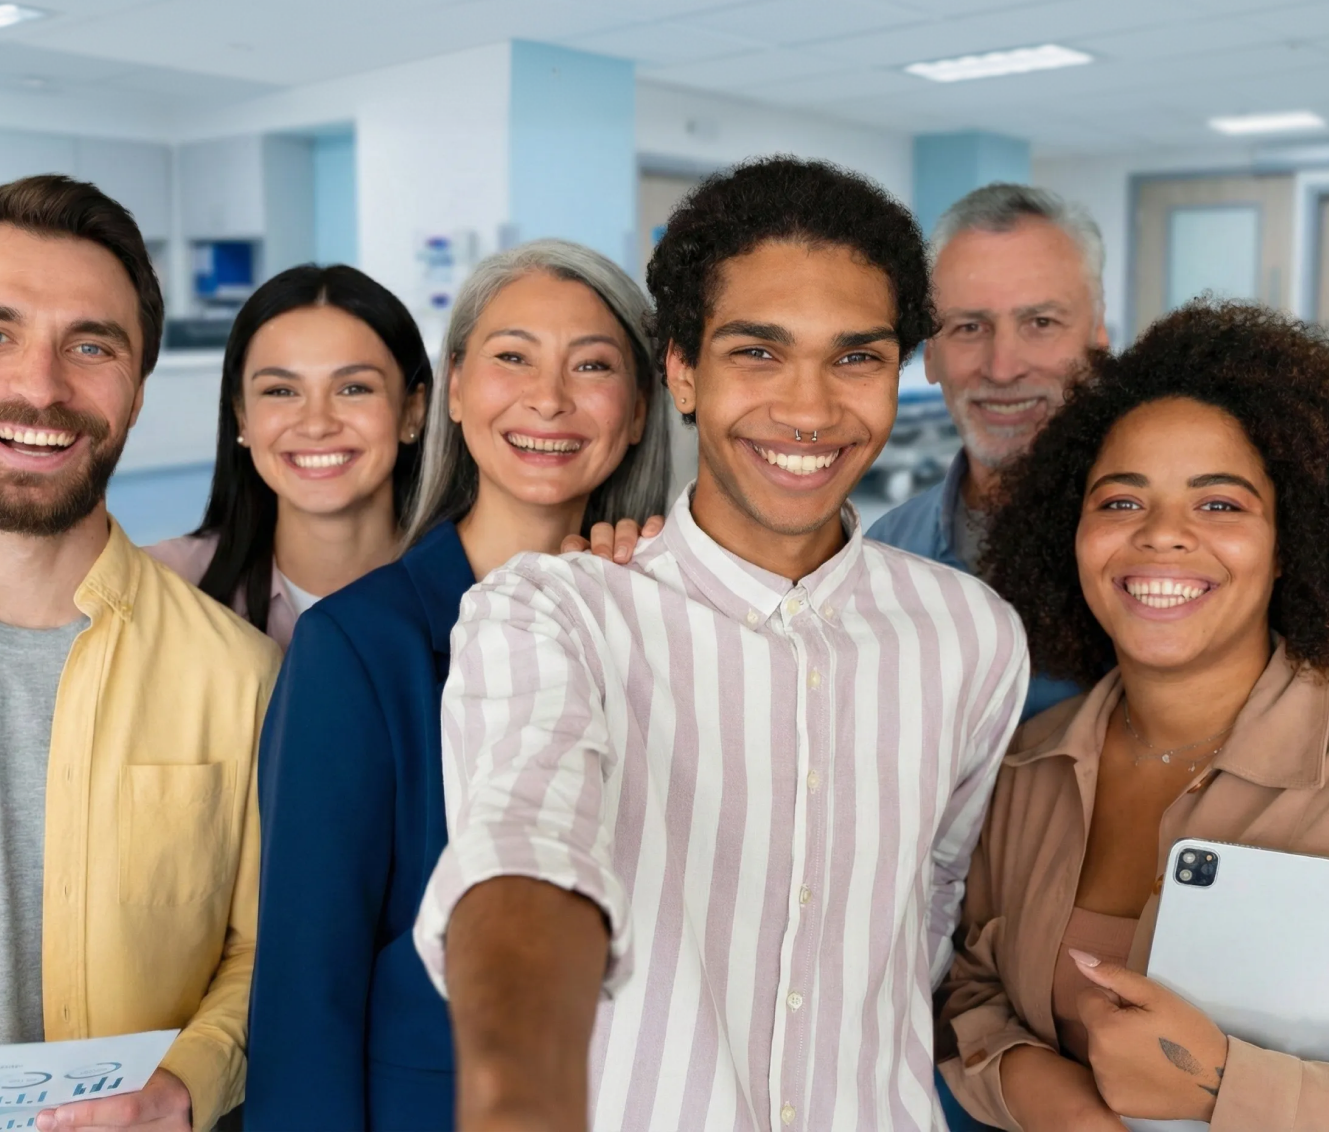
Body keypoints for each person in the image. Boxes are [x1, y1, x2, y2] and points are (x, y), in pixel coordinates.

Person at [414, 157, 1031, 1131]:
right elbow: (522, 850)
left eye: (855, 357)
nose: (809, 408)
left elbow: (926, 908)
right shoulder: (552, 612)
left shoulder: (970, 635)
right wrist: (519, 1100)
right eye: (757, 352)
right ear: (682, 370)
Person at [939, 300, 1329, 1132]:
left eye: (1220, 505)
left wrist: (1218, 1086)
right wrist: (1060, 1107)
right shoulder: (1021, 768)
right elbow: (972, 995)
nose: (1162, 536)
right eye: (1121, 503)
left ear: (1292, 543)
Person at [244, 240, 671, 1131]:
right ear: (457, 390)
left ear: (638, 413)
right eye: (512, 357)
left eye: (592, 365)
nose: (548, 398)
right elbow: (306, 991)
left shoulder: (669, 626)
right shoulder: (356, 647)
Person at [0, 175, 279, 1132]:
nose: (40, 386)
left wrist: (185, 1085)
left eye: (92, 345)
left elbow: (263, 951)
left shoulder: (242, 678)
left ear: (138, 388)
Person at [868, 182, 1329, 721]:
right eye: (968, 326)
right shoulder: (884, 554)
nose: (1003, 366)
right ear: (930, 353)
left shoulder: (1211, 547)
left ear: (1097, 335)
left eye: (1041, 322)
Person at [148, 264, 431, 649]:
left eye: (353, 388)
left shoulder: (478, 594)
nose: (316, 425)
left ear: (411, 412)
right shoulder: (162, 589)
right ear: (241, 416)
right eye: (281, 391)